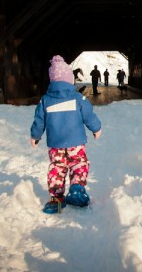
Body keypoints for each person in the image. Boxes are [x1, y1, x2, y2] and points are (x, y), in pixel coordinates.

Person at [29, 55, 102, 214]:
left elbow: (39, 121)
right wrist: (96, 129)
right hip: (76, 143)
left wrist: (35, 136)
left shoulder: (45, 100)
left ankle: (56, 199)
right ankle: (77, 187)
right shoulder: (78, 98)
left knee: (57, 168)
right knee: (79, 163)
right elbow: (89, 116)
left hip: (56, 145)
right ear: (70, 80)